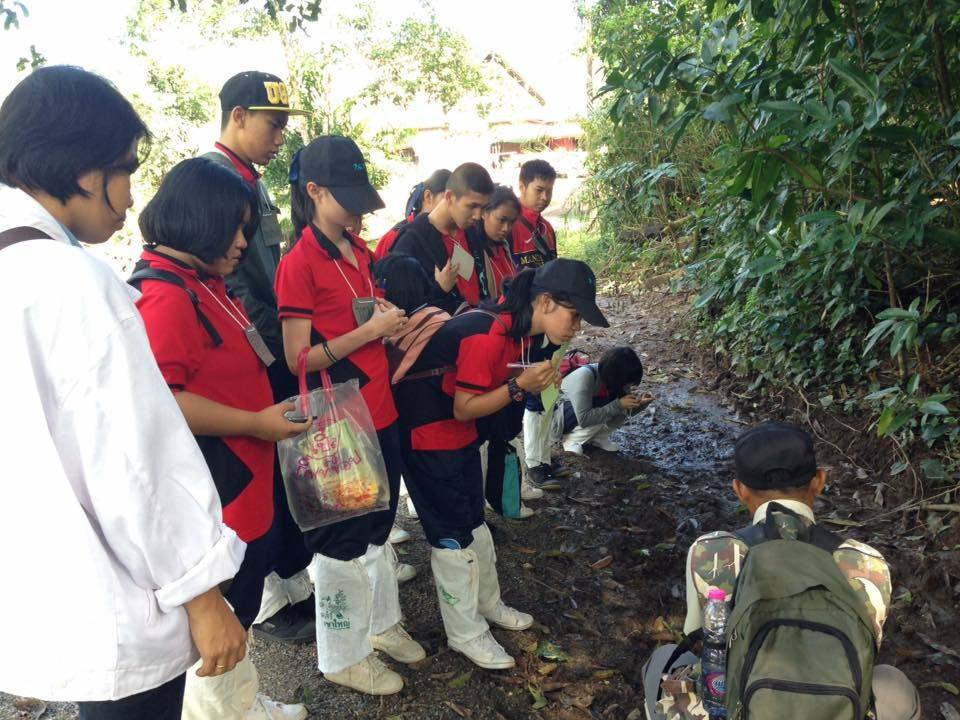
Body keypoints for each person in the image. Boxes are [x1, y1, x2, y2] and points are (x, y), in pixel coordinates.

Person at [0, 66, 246, 720]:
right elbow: (135, 462)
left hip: (37, 582)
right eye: (126, 169)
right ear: (83, 170)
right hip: (115, 591)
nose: (130, 195)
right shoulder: (73, 283)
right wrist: (202, 595)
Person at [132, 157, 310, 720]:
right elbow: (163, 404)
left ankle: (242, 703)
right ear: (199, 219)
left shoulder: (205, 282)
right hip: (220, 493)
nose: (242, 243)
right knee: (220, 627)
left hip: (248, 480)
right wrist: (256, 423)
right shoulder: (165, 296)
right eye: (235, 228)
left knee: (242, 613)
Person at [393, 258, 610, 670]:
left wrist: (527, 383)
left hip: (459, 435)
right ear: (546, 302)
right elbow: (464, 406)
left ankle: (488, 604)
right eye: (574, 315)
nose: (577, 327)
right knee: (451, 536)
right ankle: (465, 633)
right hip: (427, 435)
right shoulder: (488, 333)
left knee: (474, 521)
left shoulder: (521, 333)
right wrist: (518, 386)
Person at [276, 135, 426, 696]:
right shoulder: (299, 263)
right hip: (338, 420)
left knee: (378, 527)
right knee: (341, 540)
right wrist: (369, 332)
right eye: (348, 198)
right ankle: (342, 654)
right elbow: (298, 357)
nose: (359, 211)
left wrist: (384, 323)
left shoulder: (359, 252)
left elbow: (357, 323)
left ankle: (381, 625)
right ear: (314, 191)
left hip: (378, 407)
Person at [643, 422, 920, 720]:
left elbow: (699, 639)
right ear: (819, 480)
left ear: (739, 490)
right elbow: (867, 648)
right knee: (893, 682)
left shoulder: (710, 551)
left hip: (742, 706)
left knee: (663, 658)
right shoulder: (867, 561)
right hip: (835, 706)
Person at [204, 70, 316, 646]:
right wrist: (273, 347)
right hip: (255, 347)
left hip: (271, 343)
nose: (279, 138)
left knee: (282, 466)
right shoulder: (215, 180)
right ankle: (266, 600)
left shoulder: (252, 179)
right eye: (272, 125)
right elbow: (233, 283)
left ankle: (290, 578)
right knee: (256, 470)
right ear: (238, 116)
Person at [392, 162, 494, 314]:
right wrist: (440, 290)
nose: (478, 216)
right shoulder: (411, 240)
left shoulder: (472, 232)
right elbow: (400, 309)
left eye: (484, 208)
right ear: (449, 197)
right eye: (472, 206)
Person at [558, 346, 652, 455]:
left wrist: (640, 405)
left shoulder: (616, 381)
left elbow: (624, 412)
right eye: (627, 383)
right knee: (609, 404)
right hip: (560, 416)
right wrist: (619, 404)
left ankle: (598, 438)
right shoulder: (586, 377)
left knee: (615, 403)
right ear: (617, 377)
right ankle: (572, 440)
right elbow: (584, 419)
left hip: (580, 413)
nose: (628, 386)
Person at [373, 168, 451, 260]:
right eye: (448, 198)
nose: (454, 206)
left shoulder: (455, 233)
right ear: (428, 196)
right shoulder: (395, 236)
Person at [466, 184, 519, 301]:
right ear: (484, 213)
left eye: (512, 222)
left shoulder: (505, 246)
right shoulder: (469, 249)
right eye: (502, 220)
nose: (506, 228)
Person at [511, 158, 557, 270]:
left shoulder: (547, 228)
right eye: (539, 190)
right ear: (522, 187)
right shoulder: (507, 224)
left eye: (549, 191)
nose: (545, 197)